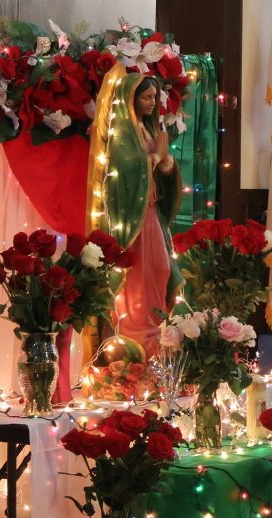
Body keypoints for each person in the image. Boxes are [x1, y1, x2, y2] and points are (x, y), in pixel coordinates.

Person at [103, 74, 183, 356]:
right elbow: (124, 167)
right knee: (136, 277)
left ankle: (156, 330)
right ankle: (136, 336)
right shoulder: (124, 131)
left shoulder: (149, 130)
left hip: (151, 214)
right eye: (146, 97)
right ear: (131, 100)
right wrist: (155, 158)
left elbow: (163, 170)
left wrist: (165, 163)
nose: (152, 103)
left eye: (154, 97)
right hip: (133, 219)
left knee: (162, 268)